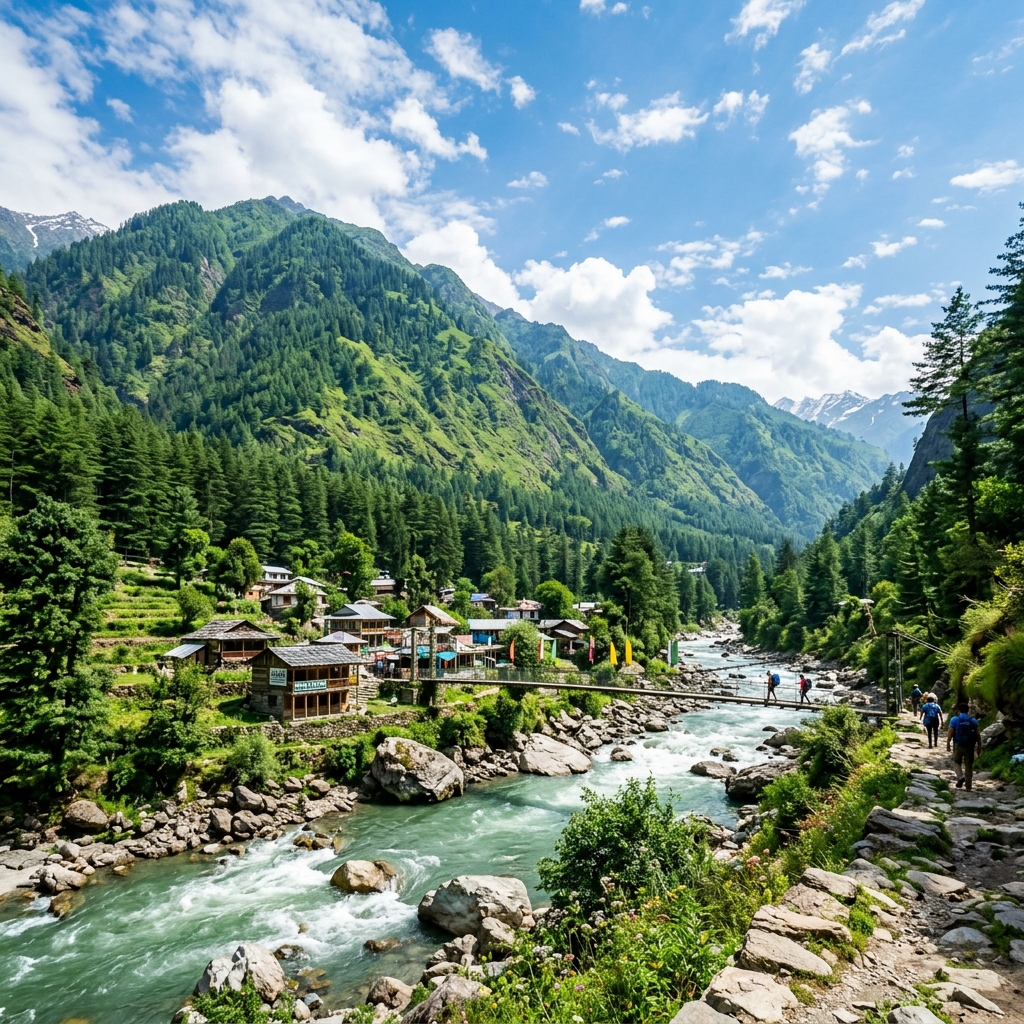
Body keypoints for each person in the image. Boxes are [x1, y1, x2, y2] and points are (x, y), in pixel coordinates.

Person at [947, 701, 982, 791]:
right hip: (970, 745)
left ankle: (960, 776)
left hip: (958, 744)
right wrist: (979, 746)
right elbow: (978, 734)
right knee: (969, 765)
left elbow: (950, 732)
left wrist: (948, 743)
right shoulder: (973, 721)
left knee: (956, 761)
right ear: (968, 710)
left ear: (958, 710)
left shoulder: (954, 719)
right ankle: (968, 786)